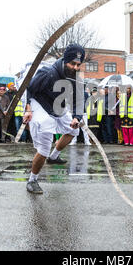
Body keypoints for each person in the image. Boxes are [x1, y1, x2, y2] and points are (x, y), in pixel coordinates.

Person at [23, 43, 85, 194]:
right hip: (40, 105)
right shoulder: (47, 72)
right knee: (44, 145)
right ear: (65, 61)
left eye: (79, 64)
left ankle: (54, 156)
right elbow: (29, 89)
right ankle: (32, 181)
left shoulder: (76, 79)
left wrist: (76, 118)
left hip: (58, 107)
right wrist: (28, 109)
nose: (76, 68)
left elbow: (78, 101)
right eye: (73, 64)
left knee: (73, 131)